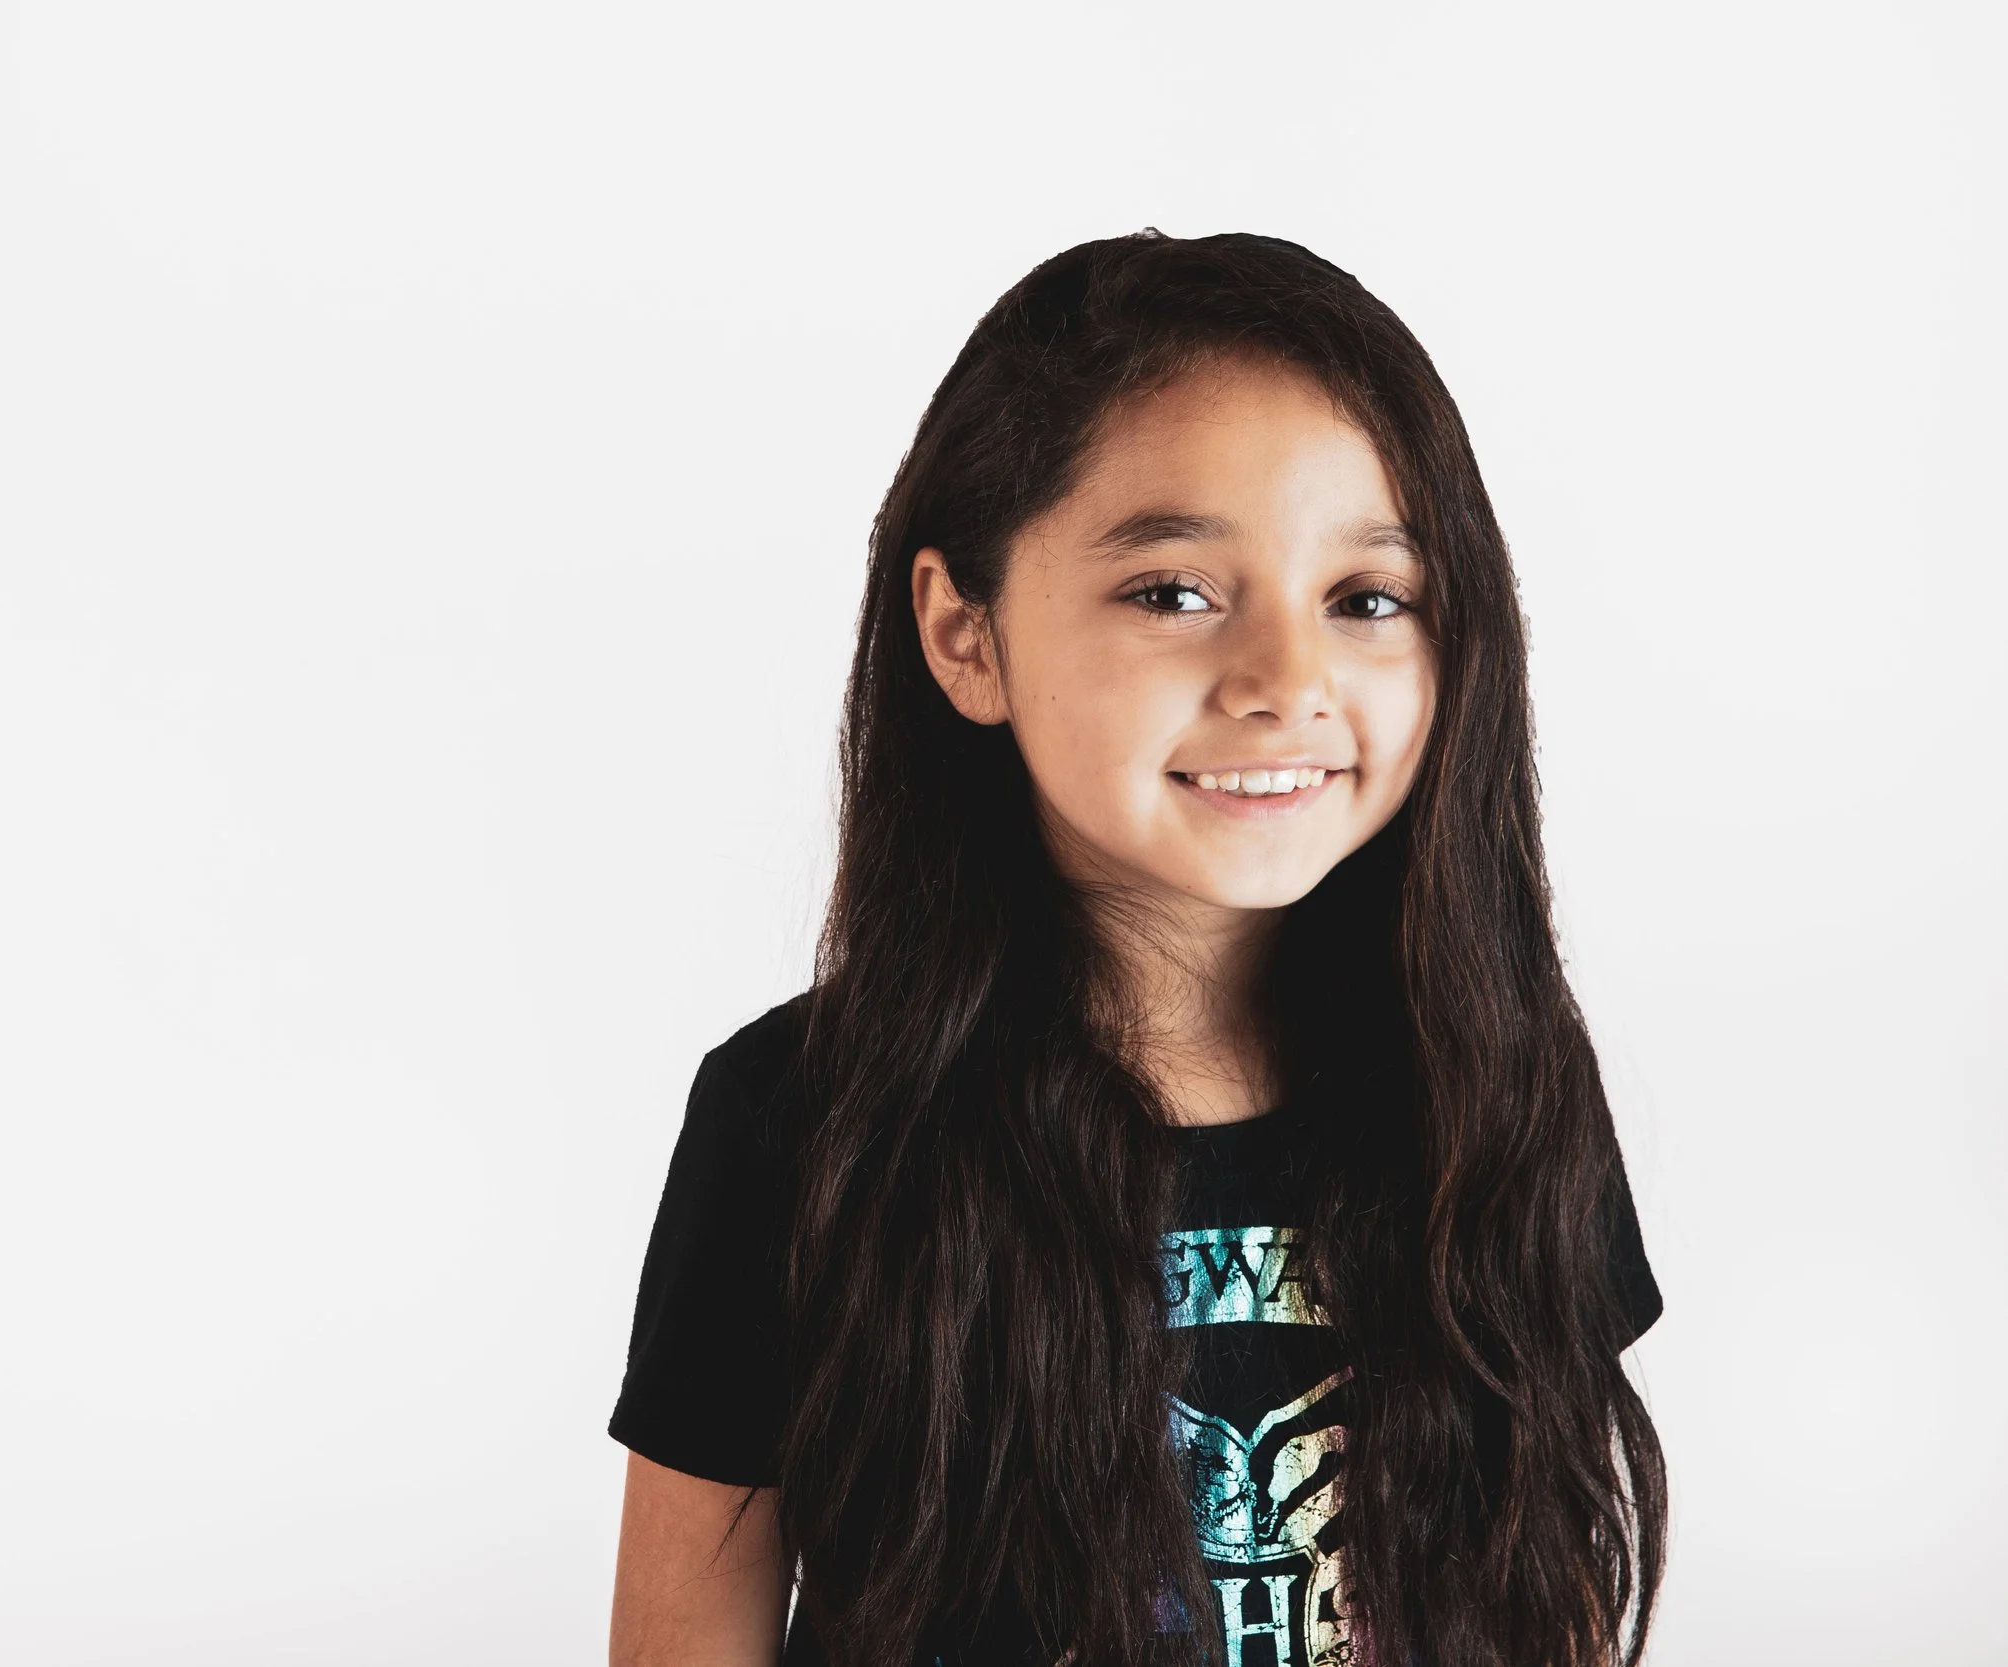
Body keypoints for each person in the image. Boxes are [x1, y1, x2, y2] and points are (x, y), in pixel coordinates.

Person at [604, 231, 1667, 1667]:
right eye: (1176, 591)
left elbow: (1552, 1600)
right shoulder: (797, 1124)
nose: (1288, 682)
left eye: (1366, 598)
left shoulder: (1502, 1087)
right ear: (962, 634)